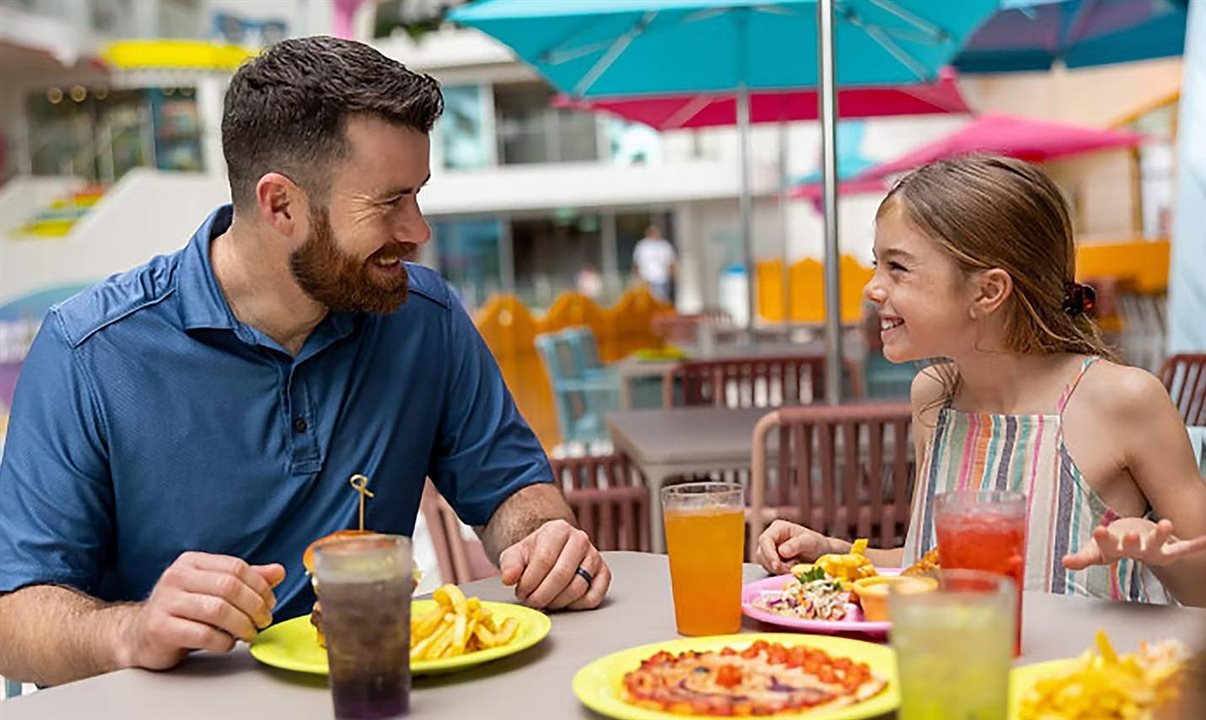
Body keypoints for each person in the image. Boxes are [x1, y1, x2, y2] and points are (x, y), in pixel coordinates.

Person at [0, 37, 611, 687]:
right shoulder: (89, 350)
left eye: (418, 195)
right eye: (389, 202)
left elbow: (512, 491)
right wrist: (131, 630)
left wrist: (542, 538)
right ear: (280, 205)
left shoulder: (424, 318)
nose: (418, 230)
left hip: (373, 693)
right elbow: (14, 622)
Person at [755, 155, 1206, 607]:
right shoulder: (935, 396)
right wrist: (833, 552)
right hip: (958, 652)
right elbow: (930, 564)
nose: (872, 288)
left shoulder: (1122, 400)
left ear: (988, 292)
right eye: (878, 264)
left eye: (898, 268)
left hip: (1089, 656)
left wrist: (1157, 551)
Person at [632, 225, 676, 302]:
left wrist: (673, 274)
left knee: (660, 299)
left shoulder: (664, 245)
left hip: (661, 278)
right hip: (646, 278)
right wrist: (637, 276)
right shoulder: (642, 246)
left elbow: (670, 262)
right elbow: (636, 262)